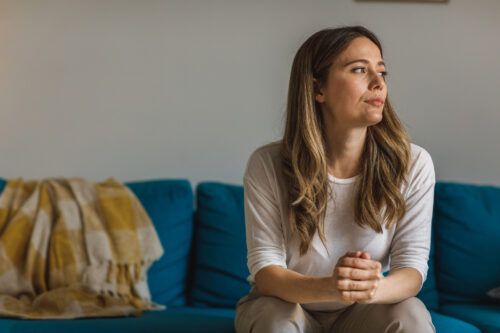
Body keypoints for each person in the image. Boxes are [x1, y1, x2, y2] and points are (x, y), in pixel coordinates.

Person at [234, 25, 436, 333]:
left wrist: (370, 289)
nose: (378, 83)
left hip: (364, 312)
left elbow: (412, 269)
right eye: (359, 70)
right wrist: (332, 287)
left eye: (381, 72)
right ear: (318, 89)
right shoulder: (267, 164)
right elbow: (266, 271)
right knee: (274, 320)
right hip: (289, 306)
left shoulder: (414, 164)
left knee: (411, 315)